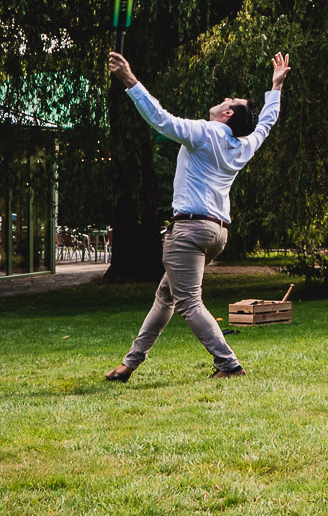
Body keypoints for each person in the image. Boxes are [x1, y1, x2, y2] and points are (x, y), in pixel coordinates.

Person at [104, 50, 290, 381]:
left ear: (227, 113)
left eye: (228, 99)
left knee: (188, 302)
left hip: (189, 230)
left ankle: (229, 365)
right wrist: (274, 88)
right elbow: (267, 124)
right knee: (166, 297)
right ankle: (130, 363)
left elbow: (161, 119)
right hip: (216, 234)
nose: (223, 99)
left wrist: (129, 79)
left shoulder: (208, 132)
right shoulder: (243, 145)